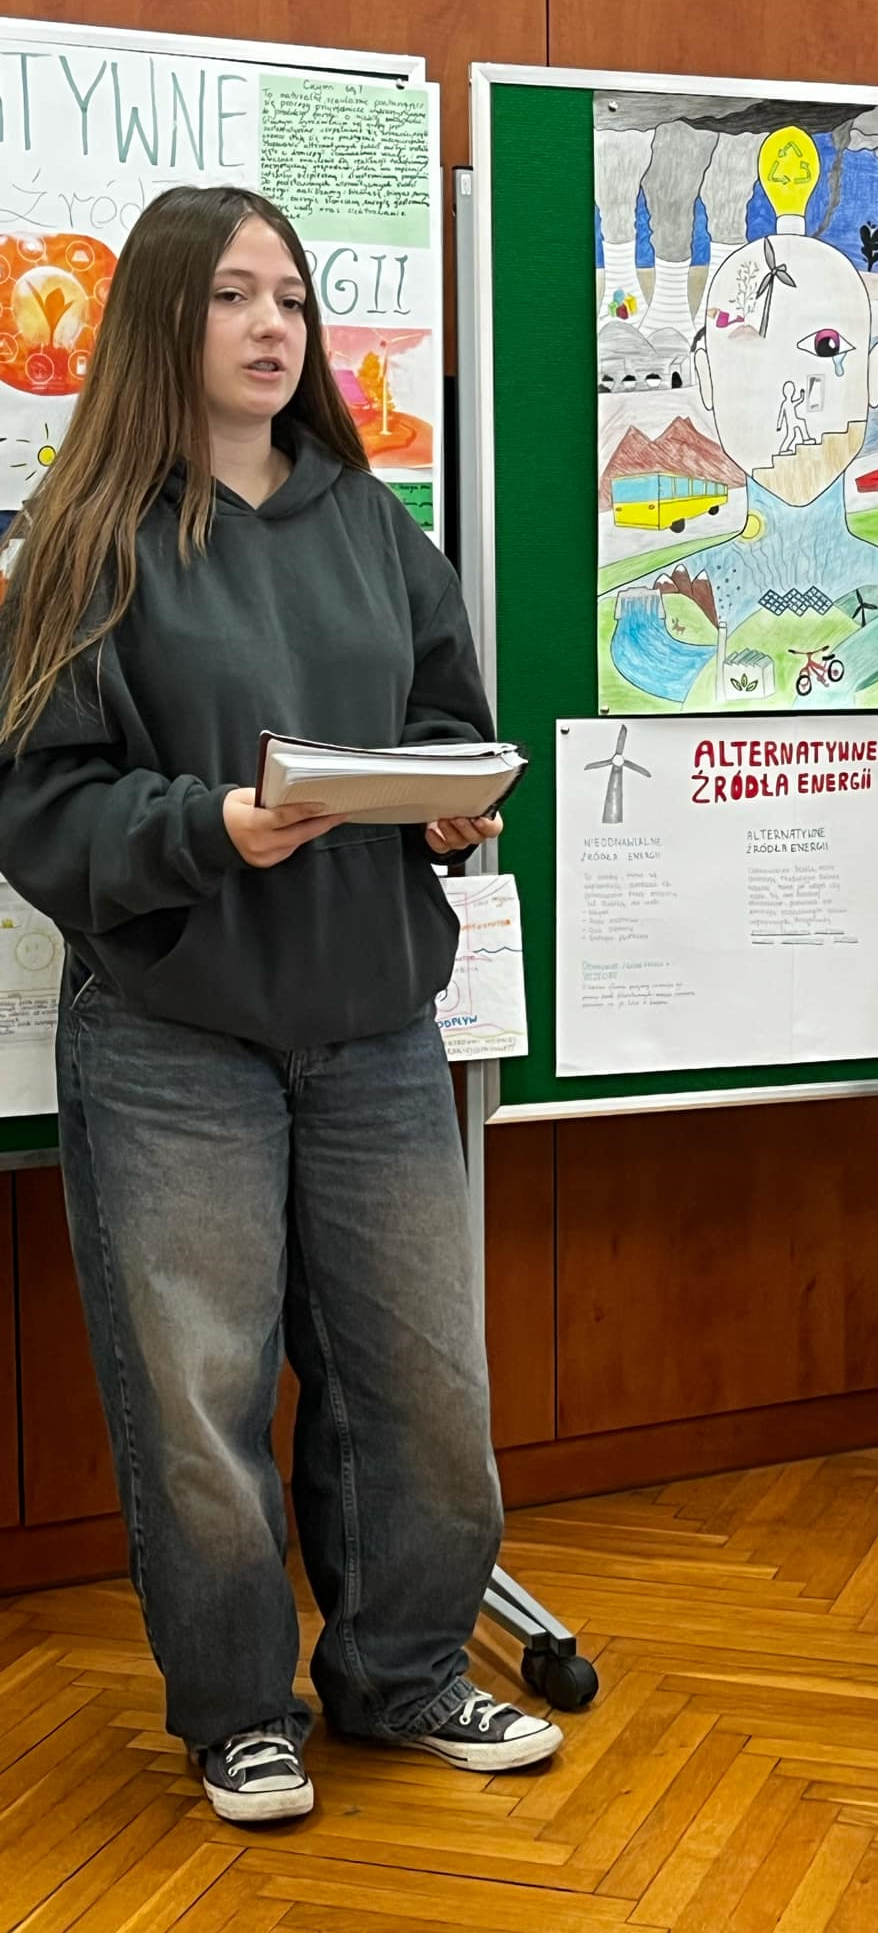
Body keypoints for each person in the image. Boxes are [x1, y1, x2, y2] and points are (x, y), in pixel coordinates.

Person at [0, 186, 563, 1822]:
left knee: (424, 1391)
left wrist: (455, 807)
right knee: (198, 1402)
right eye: (235, 296)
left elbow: (448, 720)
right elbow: (40, 806)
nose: (271, 327)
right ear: (161, 320)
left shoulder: (373, 524)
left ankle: (403, 1674)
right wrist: (212, 829)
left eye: (294, 300)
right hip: (172, 1042)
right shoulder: (82, 539)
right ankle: (241, 1709)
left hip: (377, 1024)